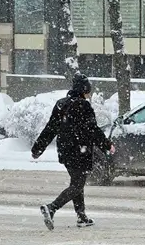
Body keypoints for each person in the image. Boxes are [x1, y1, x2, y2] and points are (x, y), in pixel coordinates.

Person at [31, 73, 114, 231]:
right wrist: (107, 144)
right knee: (77, 184)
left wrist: (38, 148)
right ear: (84, 90)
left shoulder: (61, 104)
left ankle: (81, 217)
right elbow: (93, 130)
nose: (89, 94)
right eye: (88, 90)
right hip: (80, 151)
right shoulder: (84, 106)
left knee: (77, 182)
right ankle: (52, 208)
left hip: (65, 151)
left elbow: (51, 128)